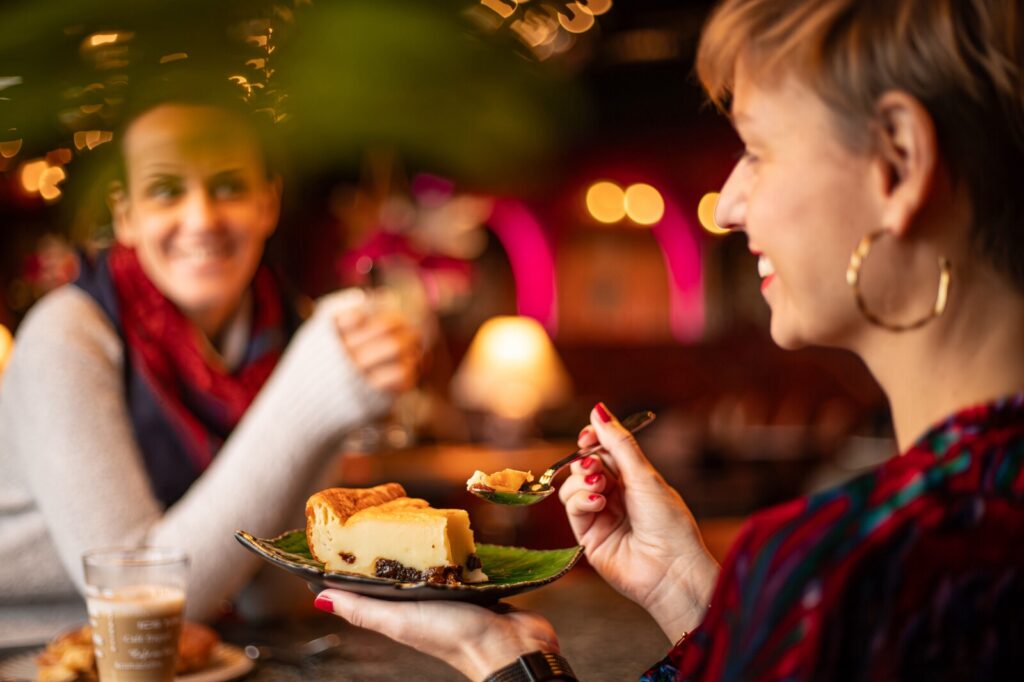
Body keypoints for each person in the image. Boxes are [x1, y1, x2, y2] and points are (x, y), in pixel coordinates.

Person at [312, 0, 1024, 679]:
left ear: (898, 158)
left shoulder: (853, 569)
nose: (733, 204)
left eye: (757, 149)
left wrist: (507, 662)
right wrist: (689, 594)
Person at [0, 79, 421, 631]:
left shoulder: (285, 328)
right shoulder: (68, 334)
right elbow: (143, 600)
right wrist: (309, 397)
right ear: (125, 216)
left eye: (226, 187)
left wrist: (335, 404)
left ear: (267, 203)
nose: (201, 219)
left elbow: (272, 595)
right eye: (166, 191)